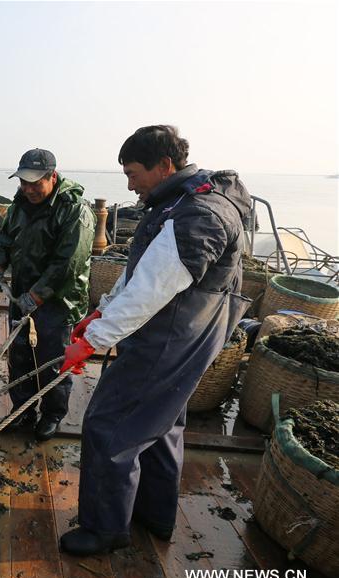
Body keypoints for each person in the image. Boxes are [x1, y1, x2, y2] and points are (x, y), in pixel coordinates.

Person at [59, 125, 251, 555]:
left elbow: (152, 290)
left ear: (164, 165)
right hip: (188, 335)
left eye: (133, 173)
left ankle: (105, 529)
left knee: (109, 425)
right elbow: (142, 268)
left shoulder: (199, 214)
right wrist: (103, 309)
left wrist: (91, 340)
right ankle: (155, 515)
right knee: (160, 424)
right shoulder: (180, 201)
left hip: (170, 338)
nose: (129, 183)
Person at [0, 149, 95, 441]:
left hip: (59, 302)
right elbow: (6, 237)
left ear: (53, 176)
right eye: (23, 182)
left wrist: (37, 296)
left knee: (53, 360)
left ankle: (52, 415)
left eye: (35, 183)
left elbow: (68, 263)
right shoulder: (19, 204)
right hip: (22, 294)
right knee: (19, 355)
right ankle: (23, 410)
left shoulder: (74, 210)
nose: (28, 189)